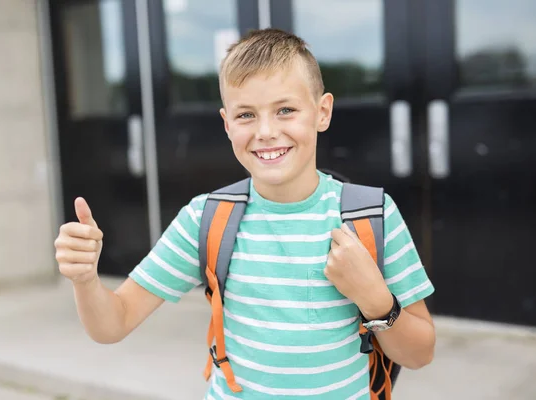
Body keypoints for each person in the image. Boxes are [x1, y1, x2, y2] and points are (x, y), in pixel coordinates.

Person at [54, 28, 436, 399]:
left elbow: (419, 353)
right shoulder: (205, 219)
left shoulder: (371, 215)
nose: (266, 131)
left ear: (322, 112)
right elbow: (113, 323)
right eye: (246, 115)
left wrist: (375, 300)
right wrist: (85, 279)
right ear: (226, 124)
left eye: (285, 110)